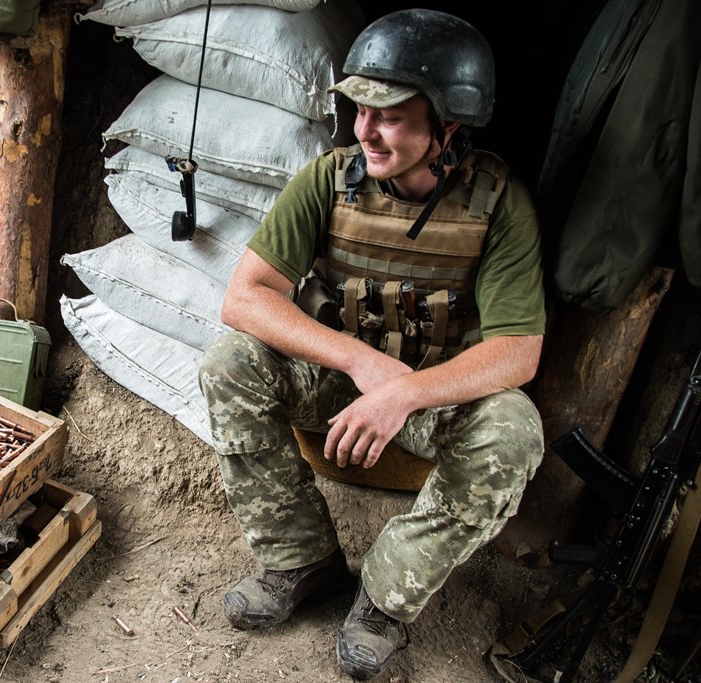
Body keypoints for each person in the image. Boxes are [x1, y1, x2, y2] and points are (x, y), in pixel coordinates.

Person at [198, 8, 546, 681]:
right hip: (337, 381)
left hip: (433, 401)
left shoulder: (500, 205)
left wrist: (405, 391)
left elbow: (517, 352)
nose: (365, 129)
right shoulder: (329, 181)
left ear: (448, 124)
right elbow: (244, 297)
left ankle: (385, 598)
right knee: (228, 364)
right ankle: (300, 558)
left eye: (388, 114)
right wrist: (358, 359)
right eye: (359, 109)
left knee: (514, 431)